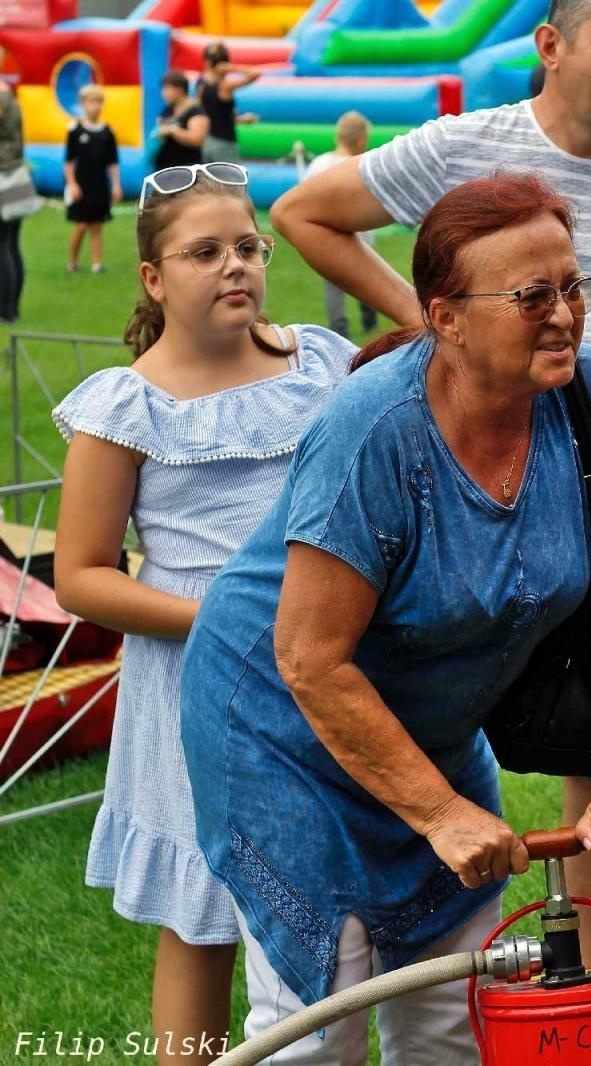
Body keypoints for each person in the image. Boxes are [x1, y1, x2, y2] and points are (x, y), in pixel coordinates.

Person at [181, 172, 591, 1062]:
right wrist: (441, 814)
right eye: (531, 296)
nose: (564, 314)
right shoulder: (376, 430)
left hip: (429, 732)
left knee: (455, 1014)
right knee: (318, 1026)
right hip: (279, 726)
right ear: (445, 318)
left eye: (573, 287)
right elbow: (309, 658)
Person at [271, 0, 591, 969]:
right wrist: (431, 339)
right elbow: (303, 212)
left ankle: (582, 973)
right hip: (452, 478)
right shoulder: (466, 148)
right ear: (549, 46)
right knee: (413, 670)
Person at [52, 161, 353, 1066]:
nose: (236, 267)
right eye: (205, 252)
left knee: (338, 891)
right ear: (153, 276)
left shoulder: (320, 364)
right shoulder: (126, 407)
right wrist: (222, 616)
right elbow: (79, 577)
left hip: (330, 669)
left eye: (248, 248)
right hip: (198, 686)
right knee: (205, 907)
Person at [303, 111, 379, 338]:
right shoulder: (362, 165)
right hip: (359, 237)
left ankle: (339, 330)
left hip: (325, 235)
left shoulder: (318, 164)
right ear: (362, 141)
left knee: (333, 284)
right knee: (368, 280)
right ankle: (370, 322)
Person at [65, 85, 121, 275]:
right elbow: (69, 161)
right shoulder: (75, 130)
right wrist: (72, 183)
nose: (96, 106)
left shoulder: (107, 132)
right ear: (83, 104)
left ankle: (96, 264)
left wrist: (116, 184)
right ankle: (72, 261)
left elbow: (113, 162)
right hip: (82, 184)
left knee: (97, 225)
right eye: (92, 102)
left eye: (99, 102)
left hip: (100, 184)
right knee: (81, 225)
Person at [197, 42, 260, 164]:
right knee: (232, 181)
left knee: (210, 181)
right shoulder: (224, 86)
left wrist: (240, 119)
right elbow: (255, 74)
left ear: (207, 62)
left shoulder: (201, 84)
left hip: (207, 141)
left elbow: (212, 115)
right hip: (224, 142)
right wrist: (233, 67)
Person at [0, 81, 31, 321]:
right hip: (17, 172)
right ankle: (13, 309)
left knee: (2, 246)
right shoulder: (12, 96)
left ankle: (4, 311)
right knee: (12, 243)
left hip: (3, 174)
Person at [152, 71, 208, 172]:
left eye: (166, 89)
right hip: (165, 169)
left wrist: (172, 130)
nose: (163, 93)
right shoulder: (169, 108)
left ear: (179, 89)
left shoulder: (196, 111)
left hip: (185, 170)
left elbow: (197, 140)